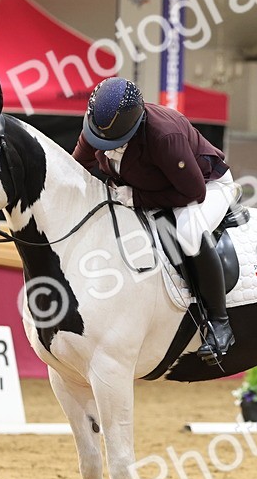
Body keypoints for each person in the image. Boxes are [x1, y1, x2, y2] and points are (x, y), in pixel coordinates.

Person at [72, 77, 241, 363]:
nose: (103, 145)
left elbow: (193, 192)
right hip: (152, 187)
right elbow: (76, 167)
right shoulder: (98, 125)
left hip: (206, 186)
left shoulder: (164, 136)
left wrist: (135, 198)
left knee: (188, 234)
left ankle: (219, 323)